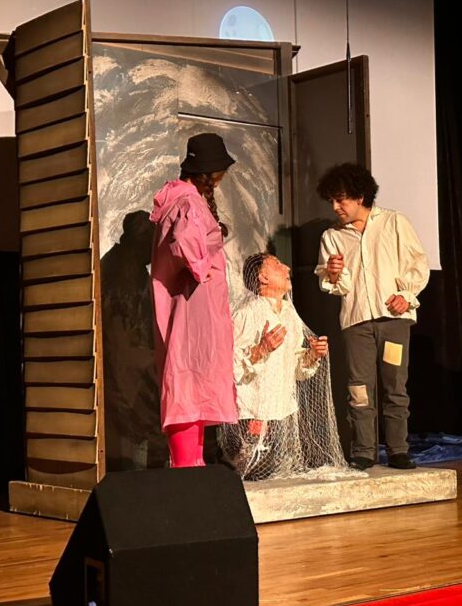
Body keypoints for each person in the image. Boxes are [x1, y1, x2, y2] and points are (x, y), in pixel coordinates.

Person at [314, 163, 430, 470]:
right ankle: (364, 450)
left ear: (360, 196)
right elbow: (336, 286)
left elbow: (418, 265)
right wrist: (333, 273)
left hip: (392, 321)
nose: (335, 207)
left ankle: (398, 449)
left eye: (341, 200)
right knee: (359, 389)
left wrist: (406, 296)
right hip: (357, 323)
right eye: (332, 201)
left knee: (395, 386)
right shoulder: (332, 237)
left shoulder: (393, 222)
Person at [149, 132, 238, 467]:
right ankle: (187, 468)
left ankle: (192, 466)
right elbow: (185, 241)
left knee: (194, 386)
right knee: (188, 384)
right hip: (192, 309)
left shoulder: (184, 199)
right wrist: (202, 268)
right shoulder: (188, 203)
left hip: (193, 306)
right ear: (209, 172)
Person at [221, 253, 349, 480]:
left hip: (282, 414)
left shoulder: (290, 314)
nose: (287, 268)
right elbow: (228, 367)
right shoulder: (246, 314)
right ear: (263, 277)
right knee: (253, 476)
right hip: (252, 414)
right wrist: (261, 350)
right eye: (277, 265)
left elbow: (297, 370)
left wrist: (312, 355)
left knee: (279, 476)